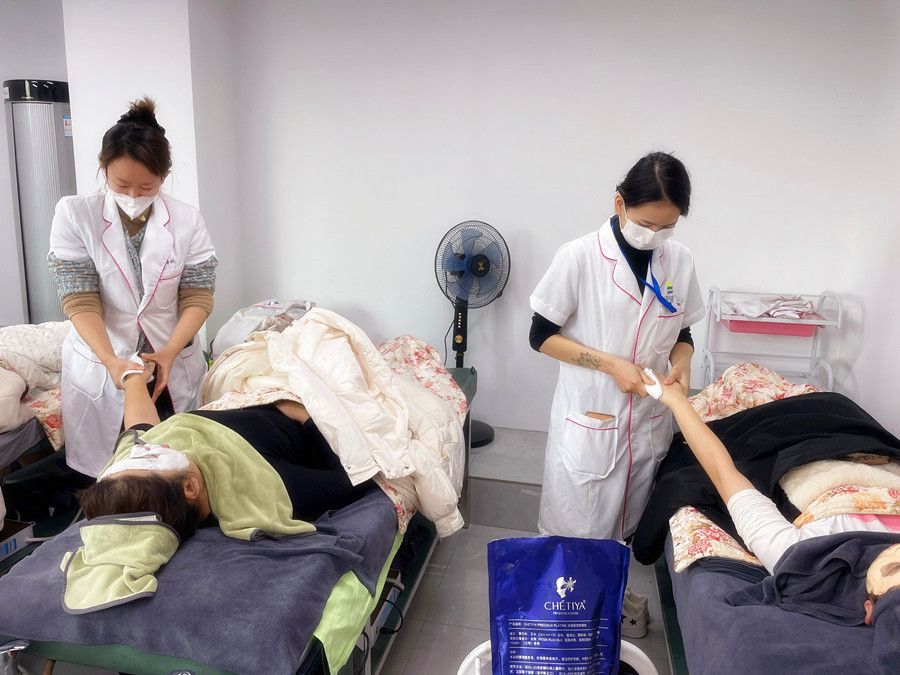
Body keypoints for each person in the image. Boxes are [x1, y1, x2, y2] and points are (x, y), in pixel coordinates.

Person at [529, 151, 704, 542]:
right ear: (620, 204)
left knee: (627, 537)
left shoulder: (680, 261)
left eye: (667, 227)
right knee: (577, 546)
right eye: (646, 224)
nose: (654, 236)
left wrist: (683, 363)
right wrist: (610, 365)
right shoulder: (579, 257)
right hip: (592, 426)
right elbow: (540, 335)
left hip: (648, 424)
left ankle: (617, 582)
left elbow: (683, 334)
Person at [49, 98, 217, 478]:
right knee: (110, 474)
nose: (134, 196)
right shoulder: (75, 215)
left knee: (174, 467)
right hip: (103, 357)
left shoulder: (187, 221)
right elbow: (79, 296)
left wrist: (171, 350)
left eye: (147, 186)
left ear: (165, 176)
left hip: (169, 358)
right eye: (122, 184)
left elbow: (198, 293)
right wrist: (111, 360)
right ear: (102, 167)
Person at [653, 372, 900, 626]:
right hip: (862, 435)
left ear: (868, 610)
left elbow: (722, 470)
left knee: (740, 385)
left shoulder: (801, 561)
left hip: (800, 444)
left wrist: (676, 401)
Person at [76, 364, 375, 542]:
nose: (151, 446)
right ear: (190, 488)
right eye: (153, 458)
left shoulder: (132, 469)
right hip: (290, 402)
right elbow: (353, 477)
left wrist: (133, 378)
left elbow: (141, 427)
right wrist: (303, 416)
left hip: (237, 396)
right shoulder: (266, 490)